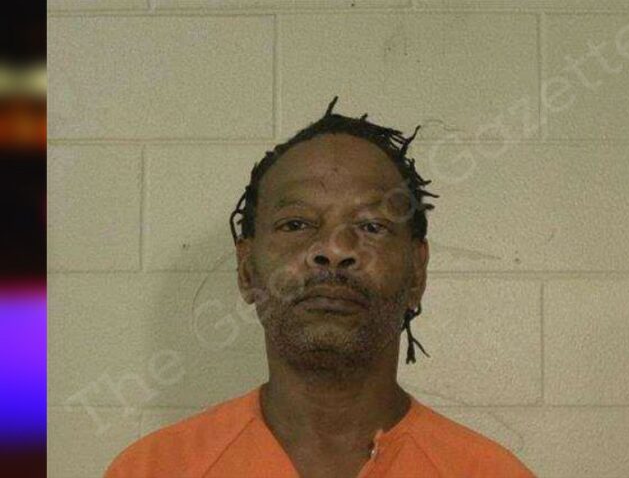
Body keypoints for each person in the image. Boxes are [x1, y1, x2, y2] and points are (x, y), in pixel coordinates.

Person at [105, 97, 534, 477]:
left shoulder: (492, 473)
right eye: (296, 224)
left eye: (371, 226)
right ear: (247, 269)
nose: (334, 249)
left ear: (417, 273)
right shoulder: (151, 470)